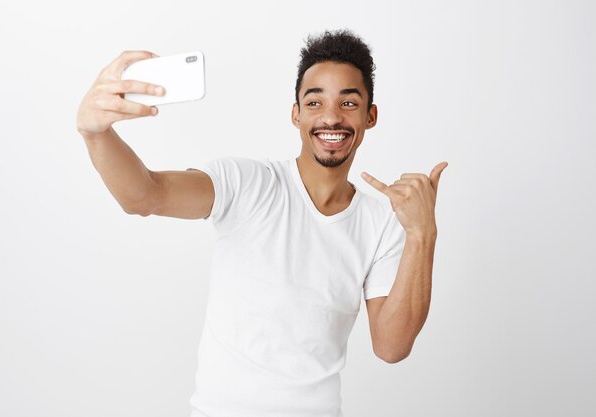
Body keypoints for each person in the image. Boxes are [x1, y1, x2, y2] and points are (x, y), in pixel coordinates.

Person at [76, 29, 447, 417]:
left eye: (349, 102)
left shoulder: (381, 222)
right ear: (296, 114)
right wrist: (94, 134)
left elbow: (392, 346)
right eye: (315, 101)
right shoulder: (247, 184)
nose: (331, 117)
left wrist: (423, 233)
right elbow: (145, 195)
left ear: (370, 116)